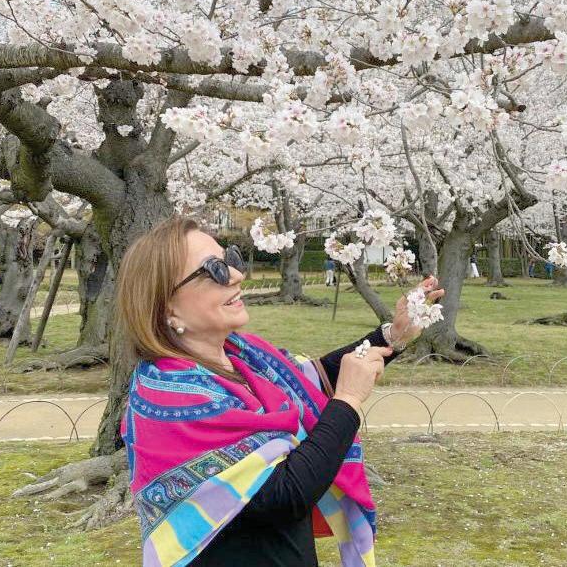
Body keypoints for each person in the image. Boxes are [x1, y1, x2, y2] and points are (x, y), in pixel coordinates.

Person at [117, 216, 444, 567]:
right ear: (167, 305)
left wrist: (391, 337)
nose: (237, 275)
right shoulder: (168, 396)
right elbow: (283, 496)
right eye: (214, 270)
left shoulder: (242, 356)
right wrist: (347, 402)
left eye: (230, 259)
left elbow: (310, 381)